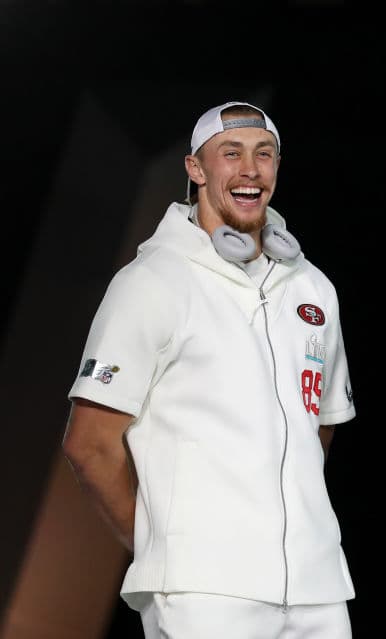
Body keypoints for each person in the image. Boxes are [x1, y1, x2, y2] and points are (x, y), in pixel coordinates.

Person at [62, 101, 357, 638]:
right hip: (203, 588)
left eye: (263, 154)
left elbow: (320, 425)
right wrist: (168, 548)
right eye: (231, 154)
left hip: (319, 586)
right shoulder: (151, 282)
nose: (250, 169)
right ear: (195, 169)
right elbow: (89, 443)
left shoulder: (313, 287)